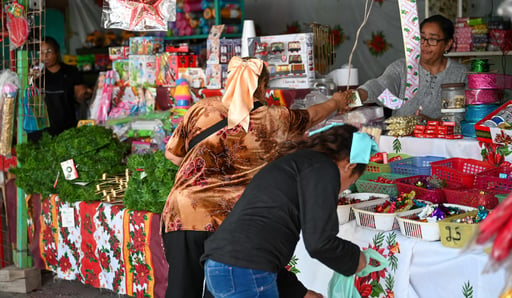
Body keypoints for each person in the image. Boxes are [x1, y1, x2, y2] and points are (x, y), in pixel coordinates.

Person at [162, 56, 353, 298]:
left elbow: (172, 154)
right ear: (263, 88)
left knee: (180, 291)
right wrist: (336, 101)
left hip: (181, 213)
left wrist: (209, 171)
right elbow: (313, 115)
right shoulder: (273, 119)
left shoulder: (202, 109)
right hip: (226, 220)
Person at [202, 124, 376, 297]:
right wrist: (356, 260)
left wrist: (300, 293)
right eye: (352, 181)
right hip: (244, 270)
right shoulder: (324, 169)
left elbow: (262, 244)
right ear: (350, 165)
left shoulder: (299, 163)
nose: (344, 188)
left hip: (220, 265)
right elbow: (319, 242)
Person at [349, 14, 467, 120]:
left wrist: (430, 123)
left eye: (432, 39)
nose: (425, 44)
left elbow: (459, 118)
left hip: (443, 142)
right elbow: (380, 87)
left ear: (448, 44)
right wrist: (354, 97)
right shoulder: (402, 68)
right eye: (421, 38)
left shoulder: (459, 74)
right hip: (401, 141)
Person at [29, 36, 92, 141]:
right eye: (41, 52)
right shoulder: (36, 75)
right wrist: (30, 79)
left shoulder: (70, 71)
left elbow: (80, 95)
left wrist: (86, 94)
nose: (45, 56)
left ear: (57, 52)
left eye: (49, 51)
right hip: (41, 130)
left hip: (66, 127)